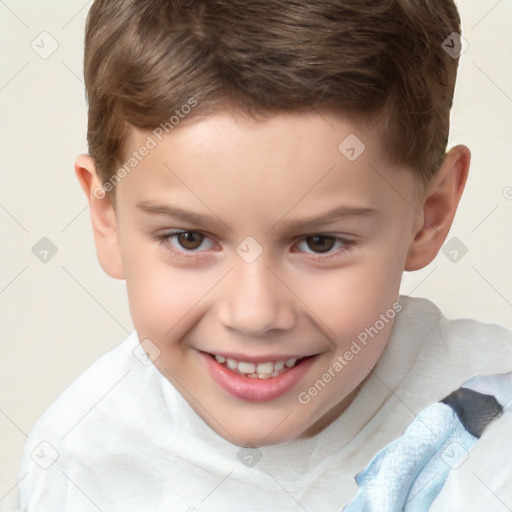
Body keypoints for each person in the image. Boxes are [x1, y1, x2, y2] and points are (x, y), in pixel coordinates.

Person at [18, 0, 512, 510]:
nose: (254, 314)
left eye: (320, 242)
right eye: (189, 238)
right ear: (108, 219)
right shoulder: (79, 462)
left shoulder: (496, 431)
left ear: (428, 215)